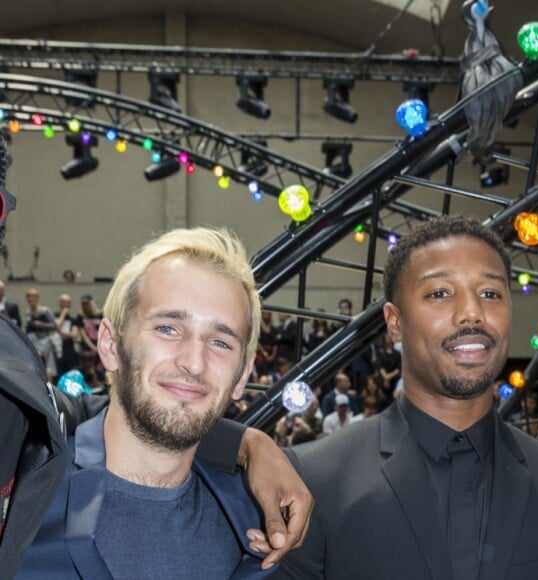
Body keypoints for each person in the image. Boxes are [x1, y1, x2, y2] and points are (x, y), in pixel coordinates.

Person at [0, 129, 312, 579]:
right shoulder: (26, 489)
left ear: (244, 375)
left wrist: (250, 442)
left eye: (220, 341)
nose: (194, 361)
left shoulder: (264, 527)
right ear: (110, 344)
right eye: (168, 327)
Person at [275, 215, 538, 580]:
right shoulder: (313, 480)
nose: (472, 313)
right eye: (440, 293)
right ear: (394, 322)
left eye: (490, 294)